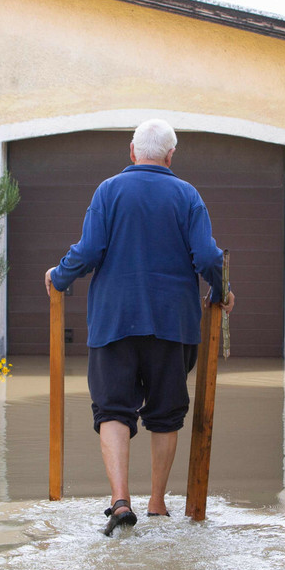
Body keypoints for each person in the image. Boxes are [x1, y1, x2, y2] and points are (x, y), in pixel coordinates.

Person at [44, 119, 235, 536]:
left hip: (114, 320)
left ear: (132, 152)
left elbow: (89, 250)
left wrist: (59, 276)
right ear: (171, 156)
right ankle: (158, 503)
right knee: (165, 413)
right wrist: (221, 289)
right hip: (172, 322)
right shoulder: (187, 195)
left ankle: (119, 501)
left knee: (113, 408)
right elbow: (206, 255)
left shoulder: (108, 190)